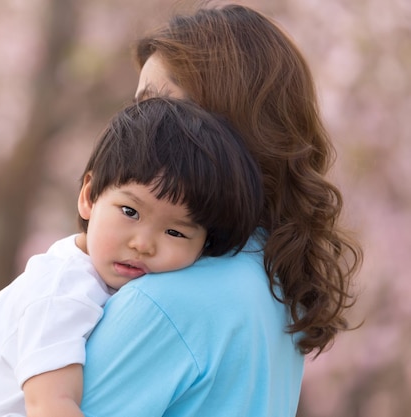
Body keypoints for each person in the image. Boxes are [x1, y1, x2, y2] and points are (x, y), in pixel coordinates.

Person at [80, 3, 363, 417]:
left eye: (162, 106)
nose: (141, 125)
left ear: (228, 123)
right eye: (139, 105)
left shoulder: (167, 301)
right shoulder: (273, 284)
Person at [0, 97, 264, 417]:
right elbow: (50, 404)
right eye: (130, 211)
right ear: (89, 196)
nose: (143, 244)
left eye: (176, 232)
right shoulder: (60, 293)